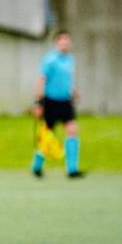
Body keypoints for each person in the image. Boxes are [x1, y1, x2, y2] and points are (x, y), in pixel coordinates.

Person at [31, 30, 83, 178]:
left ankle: (72, 169)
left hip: (65, 101)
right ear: (56, 42)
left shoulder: (70, 59)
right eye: (62, 40)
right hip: (50, 102)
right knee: (48, 135)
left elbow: (66, 80)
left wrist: (72, 92)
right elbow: (42, 80)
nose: (65, 42)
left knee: (72, 130)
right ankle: (37, 166)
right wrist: (38, 103)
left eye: (67, 40)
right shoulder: (50, 60)